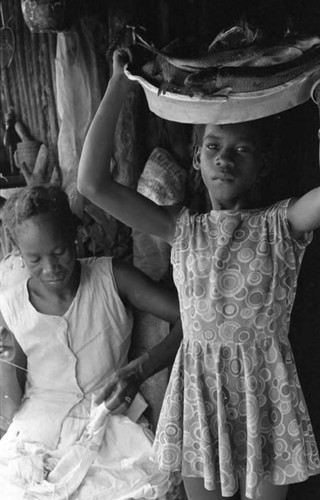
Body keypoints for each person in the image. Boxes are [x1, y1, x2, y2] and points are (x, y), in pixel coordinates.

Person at [77, 48, 320, 500]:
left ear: (261, 165)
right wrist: (118, 84)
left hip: (265, 394)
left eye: (241, 149)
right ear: (196, 159)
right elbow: (92, 184)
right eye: (213, 147)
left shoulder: (280, 227)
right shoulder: (181, 230)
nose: (224, 158)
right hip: (200, 394)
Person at [0, 184, 183, 499]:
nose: (51, 267)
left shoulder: (111, 278)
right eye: (34, 259)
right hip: (36, 429)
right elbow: (11, 392)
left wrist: (142, 368)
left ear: (74, 235)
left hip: (107, 420)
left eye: (59, 252)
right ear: (17, 251)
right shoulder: (11, 306)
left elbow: (193, 319)